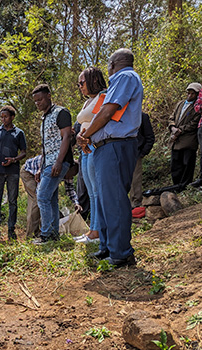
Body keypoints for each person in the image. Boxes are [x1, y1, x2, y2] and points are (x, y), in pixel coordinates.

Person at [77, 48, 143, 267]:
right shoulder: (121, 80)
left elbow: (107, 113)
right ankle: (107, 247)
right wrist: (88, 137)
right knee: (105, 199)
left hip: (116, 145)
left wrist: (85, 135)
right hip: (105, 147)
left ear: (113, 63)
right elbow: (103, 115)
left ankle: (121, 252)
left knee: (114, 199)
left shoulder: (125, 76)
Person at [32, 84, 73, 243]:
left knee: (42, 196)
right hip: (47, 163)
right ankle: (54, 234)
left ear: (49, 95)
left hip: (58, 162)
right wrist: (40, 168)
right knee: (51, 198)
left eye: (40, 99)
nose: (38, 103)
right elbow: (45, 146)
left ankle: (46, 234)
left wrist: (58, 162)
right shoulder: (44, 118)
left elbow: (66, 138)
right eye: (35, 101)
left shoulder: (61, 113)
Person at [74, 67, 108, 244]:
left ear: (93, 80)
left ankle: (98, 231)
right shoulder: (88, 102)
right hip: (84, 148)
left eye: (82, 82)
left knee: (97, 190)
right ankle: (92, 230)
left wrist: (85, 136)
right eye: (78, 84)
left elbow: (102, 120)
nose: (80, 86)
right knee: (90, 191)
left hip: (95, 146)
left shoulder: (103, 97)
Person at [0, 106, 27, 241]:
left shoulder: (19, 133)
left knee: (12, 201)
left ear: (12, 117)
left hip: (12, 171)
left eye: (6, 116)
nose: (3, 119)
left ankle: (11, 229)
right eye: (1, 117)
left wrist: (14, 160)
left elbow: (23, 152)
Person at [21, 155, 82, 239]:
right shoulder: (54, 166)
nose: (68, 178)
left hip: (41, 173)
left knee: (48, 200)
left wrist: (76, 203)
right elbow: (41, 193)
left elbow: (70, 189)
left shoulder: (67, 173)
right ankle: (31, 235)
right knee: (36, 200)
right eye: (68, 175)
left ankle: (49, 231)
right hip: (29, 172)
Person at [168, 83, 202, 188]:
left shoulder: (197, 106)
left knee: (187, 163)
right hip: (176, 139)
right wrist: (173, 128)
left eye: (193, 94)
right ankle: (176, 186)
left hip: (188, 139)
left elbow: (194, 123)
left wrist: (180, 130)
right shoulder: (180, 104)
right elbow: (171, 117)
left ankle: (185, 186)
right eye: (188, 93)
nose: (190, 96)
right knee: (175, 163)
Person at [129, 112, 155, 209]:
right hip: (122, 152)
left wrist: (143, 152)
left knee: (135, 180)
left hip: (136, 152)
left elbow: (150, 137)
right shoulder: (120, 114)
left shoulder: (142, 116)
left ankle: (136, 204)